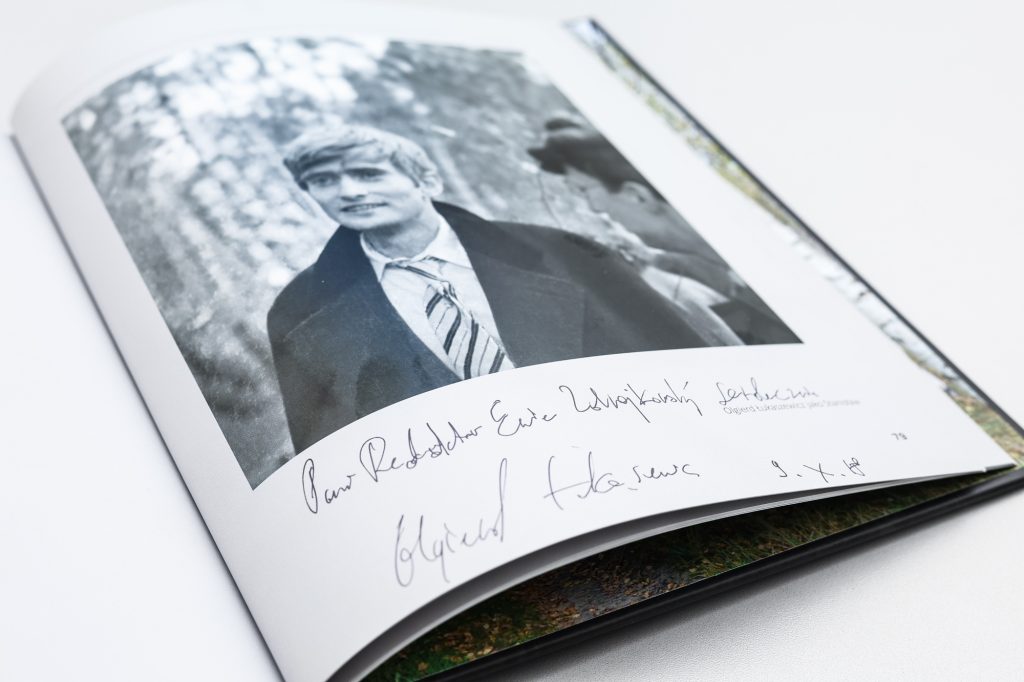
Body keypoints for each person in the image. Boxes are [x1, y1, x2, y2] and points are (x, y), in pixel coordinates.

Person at [268, 124, 721, 453]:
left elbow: (687, 363)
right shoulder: (300, 310)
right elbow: (331, 451)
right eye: (323, 181)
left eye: (369, 174)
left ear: (426, 181)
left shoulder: (566, 252)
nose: (348, 192)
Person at [528, 114, 800, 347]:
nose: (593, 208)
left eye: (584, 190)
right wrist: (648, 260)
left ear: (636, 196)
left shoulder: (782, 275)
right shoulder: (730, 256)